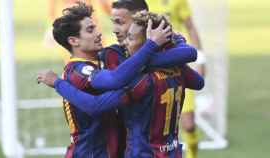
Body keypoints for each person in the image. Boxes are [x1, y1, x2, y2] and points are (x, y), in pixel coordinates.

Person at [37, 2, 173, 157]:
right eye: (90, 30)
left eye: (95, 27)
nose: (98, 33)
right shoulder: (77, 71)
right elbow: (98, 101)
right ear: (74, 41)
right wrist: (130, 89)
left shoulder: (103, 60)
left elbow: (189, 56)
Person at [146, 1, 206, 158]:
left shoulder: (179, 1)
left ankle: (192, 154)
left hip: (179, 65)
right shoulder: (145, 3)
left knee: (189, 124)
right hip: (157, 68)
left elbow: (191, 27)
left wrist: (201, 59)